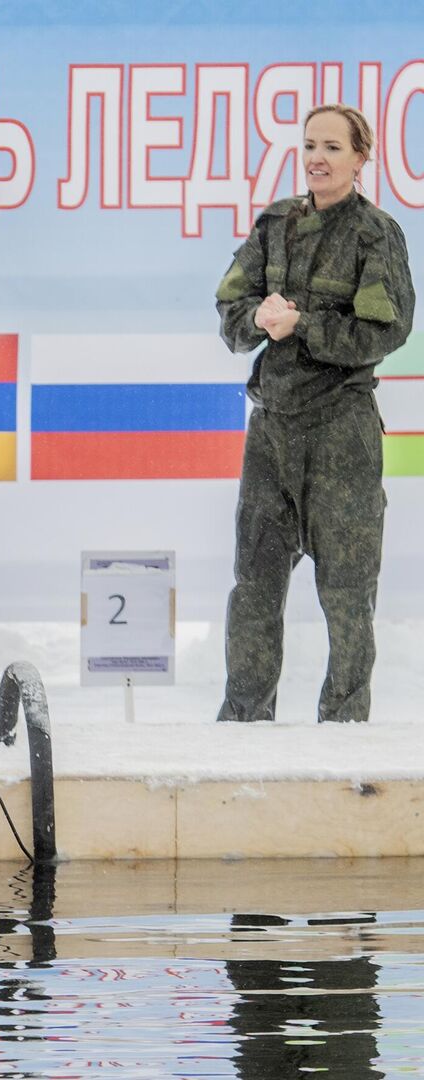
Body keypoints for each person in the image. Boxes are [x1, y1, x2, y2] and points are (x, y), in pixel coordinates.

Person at [213, 104, 414, 724]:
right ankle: (243, 722)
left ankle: (345, 728)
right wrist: (257, 319)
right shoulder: (274, 224)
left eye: (333, 147)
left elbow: (387, 330)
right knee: (254, 587)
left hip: (341, 429)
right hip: (272, 428)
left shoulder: (374, 233)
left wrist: (304, 325)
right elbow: (229, 312)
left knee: (348, 592)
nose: (318, 158)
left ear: (361, 158)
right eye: (309, 146)